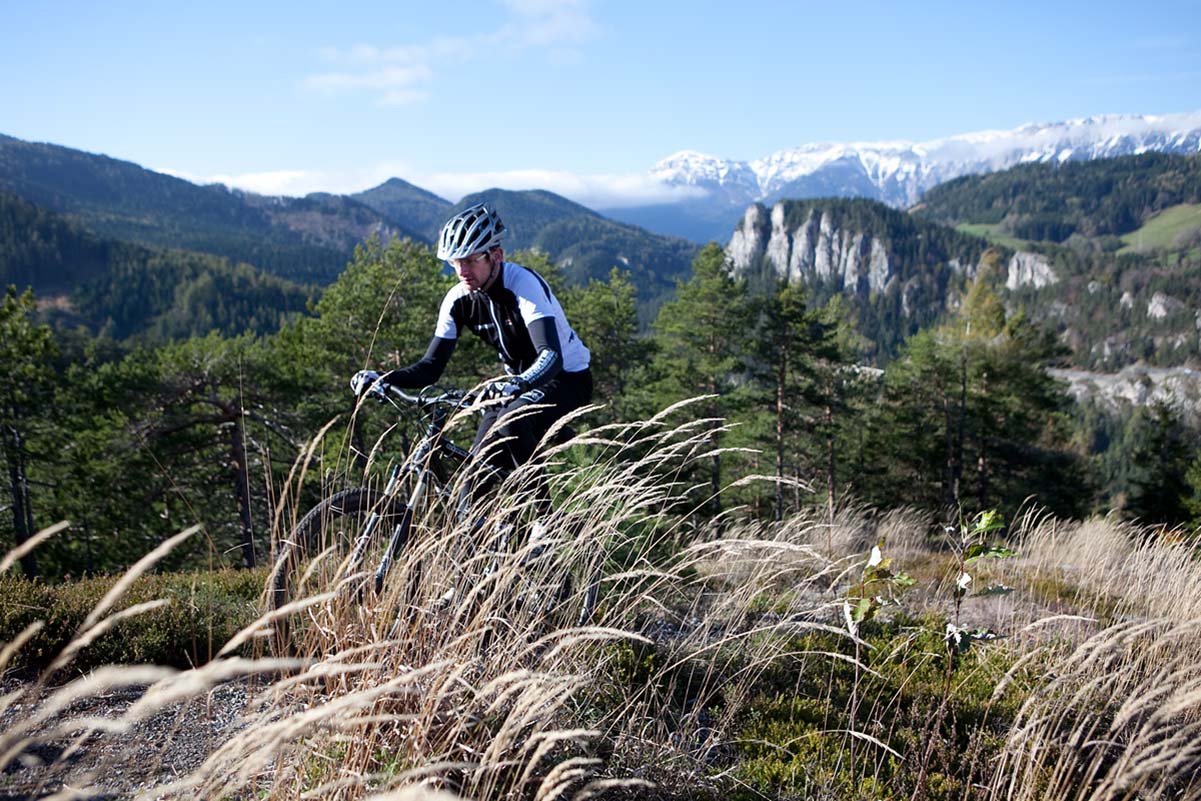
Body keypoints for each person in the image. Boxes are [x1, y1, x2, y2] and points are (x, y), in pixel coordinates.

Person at [351, 203, 593, 508]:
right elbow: (430, 367)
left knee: (511, 419)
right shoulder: (458, 300)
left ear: (497, 256)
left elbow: (550, 356)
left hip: (567, 379)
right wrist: (383, 379)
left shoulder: (523, 286)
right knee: (475, 478)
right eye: (455, 262)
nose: (462, 271)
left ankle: (544, 523)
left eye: (470, 260)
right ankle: (485, 545)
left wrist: (516, 384)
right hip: (515, 388)